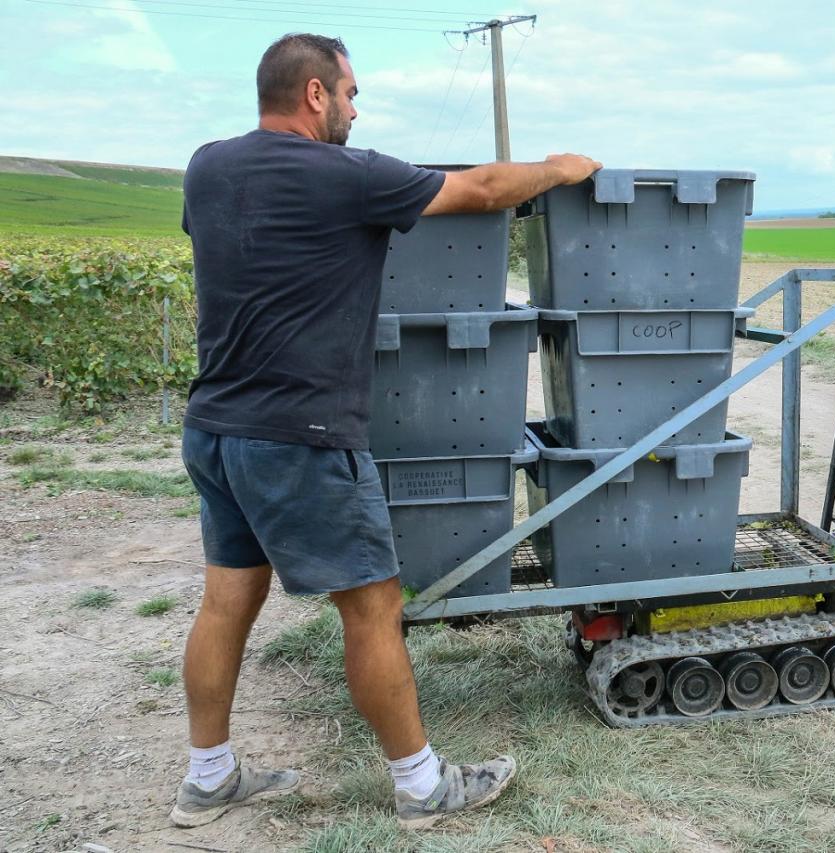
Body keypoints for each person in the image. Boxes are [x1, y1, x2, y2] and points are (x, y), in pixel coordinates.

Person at [171, 32, 601, 829]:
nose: (354, 107)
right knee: (372, 607)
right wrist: (557, 169)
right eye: (350, 92)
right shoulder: (347, 175)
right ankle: (422, 786)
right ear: (314, 95)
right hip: (300, 433)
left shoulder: (206, 167)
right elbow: (480, 189)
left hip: (215, 428)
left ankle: (208, 778)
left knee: (226, 599)